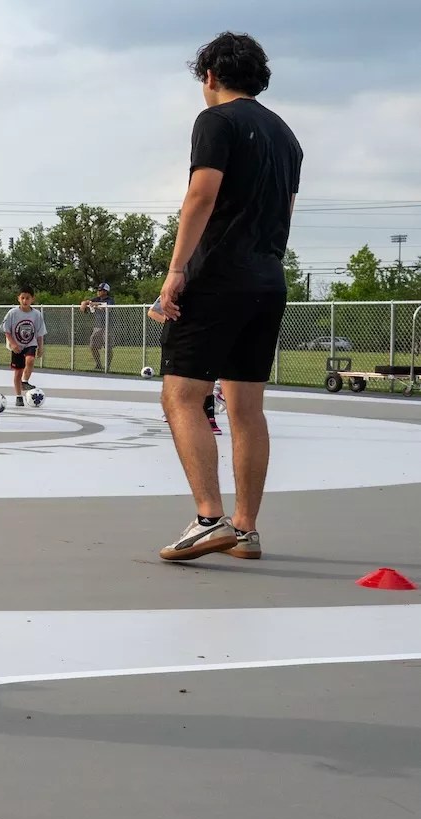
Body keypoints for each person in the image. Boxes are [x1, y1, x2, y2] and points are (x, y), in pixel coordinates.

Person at [156, 31, 302, 562]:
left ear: (210, 76)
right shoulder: (286, 136)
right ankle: (246, 529)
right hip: (267, 280)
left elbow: (201, 194)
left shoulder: (216, 121)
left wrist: (176, 272)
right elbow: (284, 213)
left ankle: (208, 518)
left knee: (180, 396)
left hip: (217, 279)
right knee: (246, 408)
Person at [148, 298, 221, 435]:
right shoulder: (177, 288)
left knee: (208, 374)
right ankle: (173, 409)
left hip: (206, 335)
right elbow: (152, 312)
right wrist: (170, 321)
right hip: (179, 338)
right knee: (176, 376)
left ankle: (209, 413)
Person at [0, 285, 46, 406]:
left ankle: (25, 381)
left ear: (32, 299)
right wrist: (13, 344)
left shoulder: (36, 314)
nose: (25, 301)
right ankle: (18, 396)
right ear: (18, 299)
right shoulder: (13, 313)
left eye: (28, 298)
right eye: (23, 298)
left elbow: (40, 333)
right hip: (17, 346)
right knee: (18, 372)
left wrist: (41, 347)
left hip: (30, 343)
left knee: (30, 360)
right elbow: (6, 330)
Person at [79, 283, 114, 370]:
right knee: (92, 346)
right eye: (98, 290)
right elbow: (87, 302)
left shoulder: (110, 300)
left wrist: (95, 304)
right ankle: (98, 364)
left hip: (107, 327)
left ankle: (107, 366)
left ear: (106, 291)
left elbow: (107, 308)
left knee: (108, 347)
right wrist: (84, 303)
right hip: (97, 327)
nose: (98, 292)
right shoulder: (96, 299)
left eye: (100, 290)